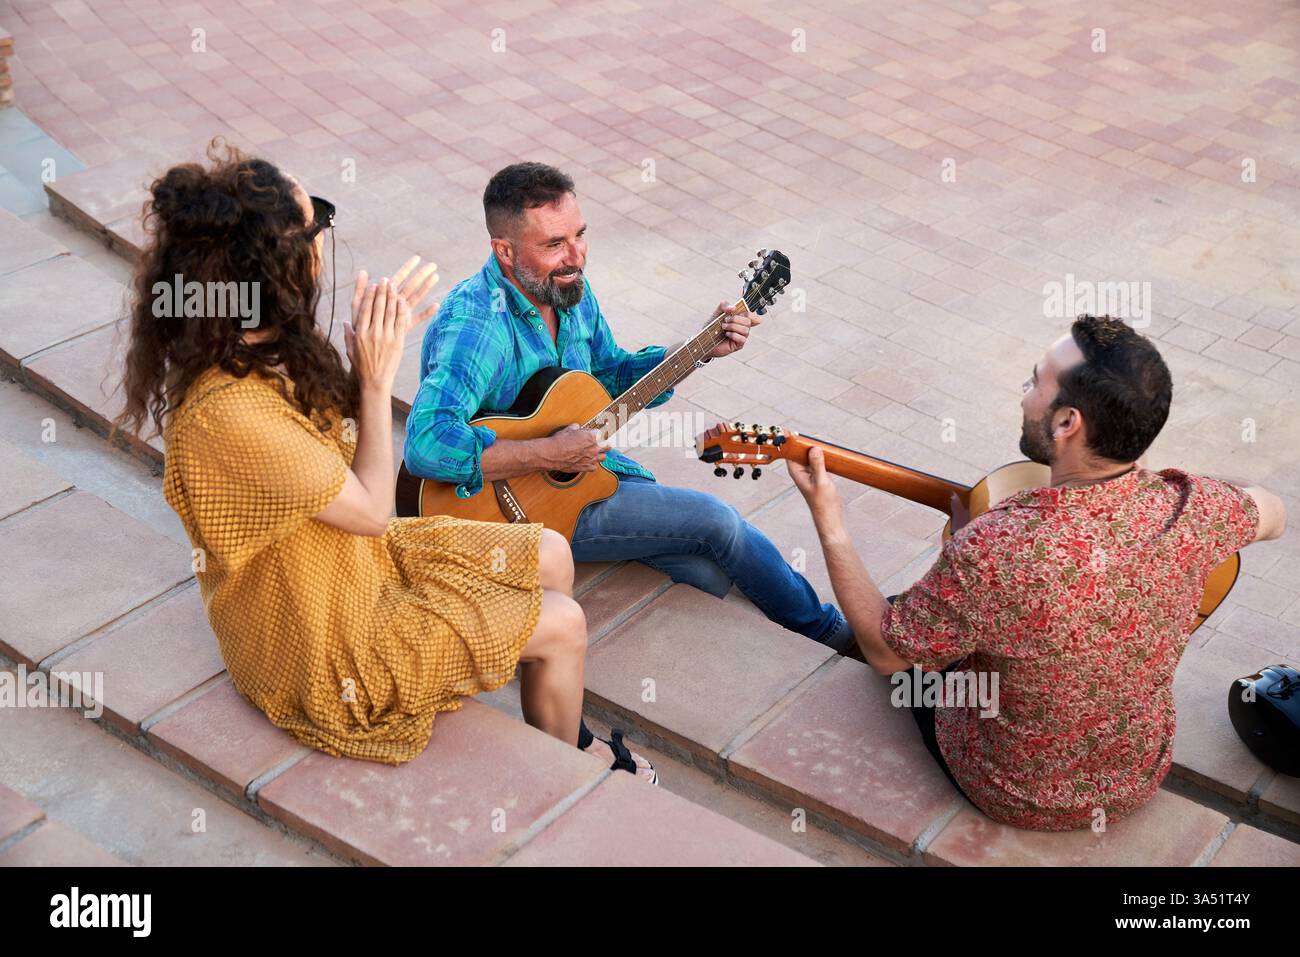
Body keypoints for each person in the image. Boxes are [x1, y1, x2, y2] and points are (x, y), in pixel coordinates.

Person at [113, 142, 656, 782]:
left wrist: (365, 358)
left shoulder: (260, 340)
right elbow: (373, 509)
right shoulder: (229, 413)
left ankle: (552, 711)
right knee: (564, 622)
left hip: (353, 564)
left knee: (549, 552)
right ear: (274, 263)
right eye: (314, 220)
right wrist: (375, 381)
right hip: (323, 642)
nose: (322, 237)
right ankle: (571, 774)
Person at [788, 315, 1287, 831]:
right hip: (1136, 774)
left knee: (898, 627)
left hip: (1016, 790)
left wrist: (830, 521)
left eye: (1034, 382)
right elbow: (1273, 511)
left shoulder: (995, 548)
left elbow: (888, 654)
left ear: (1067, 422)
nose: (1024, 393)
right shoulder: (1195, 509)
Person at [404, 162, 856, 652]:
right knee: (716, 522)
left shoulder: (566, 288)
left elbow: (609, 375)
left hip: (573, 487)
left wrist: (696, 351)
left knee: (703, 574)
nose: (575, 255)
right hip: (506, 518)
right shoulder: (477, 326)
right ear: (504, 251)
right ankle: (832, 630)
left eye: (580, 235)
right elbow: (426, 445)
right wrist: (546, 455)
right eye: (554, 244)